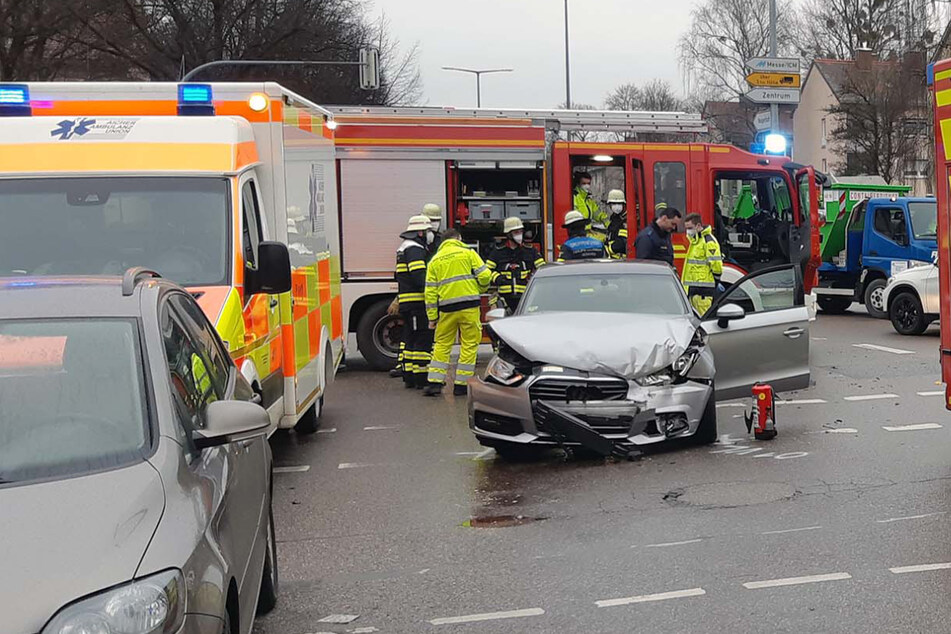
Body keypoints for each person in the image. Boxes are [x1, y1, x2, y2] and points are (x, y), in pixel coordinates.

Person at [424, 228, 493, 396]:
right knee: (469, 345)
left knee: (442, 344)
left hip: (447, 309)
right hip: (469, 306)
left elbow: (430, 293)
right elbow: (485, 275)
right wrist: (479, 288)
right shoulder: (468, 253)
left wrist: (432, 317)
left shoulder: (435, 260)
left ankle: (434, 383)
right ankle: (462, 385)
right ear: (459, 238)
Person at [395, 215, 436, 388]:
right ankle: (420, 378)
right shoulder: (414, 249)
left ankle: (410, 377)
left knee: (410, 339)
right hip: (417, 303)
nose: (430, 234)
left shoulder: (405, 247)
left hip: (408, 303)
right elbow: (419, 275)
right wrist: (433, 290)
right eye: (428, 231)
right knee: (422, 339)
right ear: (420, 232)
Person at [486, 217, 545, 313]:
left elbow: (542, 269)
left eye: (520, 232)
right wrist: (497, 277)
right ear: (509, 234)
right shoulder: (498, 252)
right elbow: (486, 270)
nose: (519, 235)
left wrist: (532, 277)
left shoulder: (531, 251)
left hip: (526, 299)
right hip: (504, 299)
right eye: (516, 232)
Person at [681, 212, 723, 315]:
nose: (688, 231)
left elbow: (717, 266)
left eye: (690, 228)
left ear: (698, 225)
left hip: (703, 292)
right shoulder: (696, 241)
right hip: (694, 290)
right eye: (686, 228)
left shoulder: (708, 242)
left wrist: (715, 282)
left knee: (702, 320)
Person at [604, 189, 628, 259]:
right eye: (613, 203)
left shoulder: (627, 219)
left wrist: (608, 250)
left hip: (621, 259)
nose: (616, 206)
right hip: (613, 258)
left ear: (624, 204)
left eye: (619, 203)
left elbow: (622, 242)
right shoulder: (615, 217)